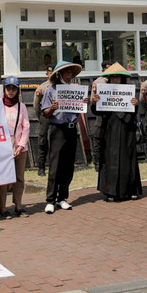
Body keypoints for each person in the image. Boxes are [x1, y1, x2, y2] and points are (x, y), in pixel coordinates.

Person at [90, 63, 142, 201]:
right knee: (109, 159)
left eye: (117, 77)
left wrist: (135, 104)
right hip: (109, 129)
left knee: (127, 158)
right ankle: (110, 192)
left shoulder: (128, 91)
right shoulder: (103, 92)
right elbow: (96, 111)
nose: (114, 80)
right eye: (112, 77)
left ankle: (130, 190)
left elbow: (134, 112)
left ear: (122, 78)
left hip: (126, 129)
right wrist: (94, 103)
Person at [40, 60, 84, 213]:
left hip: (71, 129)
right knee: (55, 165)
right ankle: (50, 200)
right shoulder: (51, 90)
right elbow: (45, 113)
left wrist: (83, 103)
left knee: (68, 165)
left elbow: (78, 111)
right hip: (57, 129)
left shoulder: (75, 90)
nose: (69, 75)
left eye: (71, 72)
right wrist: (53, 108)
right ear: (59, 74)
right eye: (67, 72)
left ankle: (62, 198)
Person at [0, 76, 29, 217]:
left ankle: (18, 205)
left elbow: (26, 127)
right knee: (3, 178)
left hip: (19, 146)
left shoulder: (22, 107)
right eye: (8, 88)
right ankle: (3, 207)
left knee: (19, 177)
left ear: (17, 90)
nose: (10, 91)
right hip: (3, 146)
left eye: (13, 89)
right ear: (4, 89)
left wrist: (20, 146)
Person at [34, 65, 53, 176]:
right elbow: (36, 105)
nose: (52, 74)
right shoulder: (42, 87)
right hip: (45, 117)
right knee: (43, 142)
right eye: (50, 72)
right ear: (47, 74)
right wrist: (40, 118)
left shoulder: (61, 86)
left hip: (57, 117)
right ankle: (41, 168)